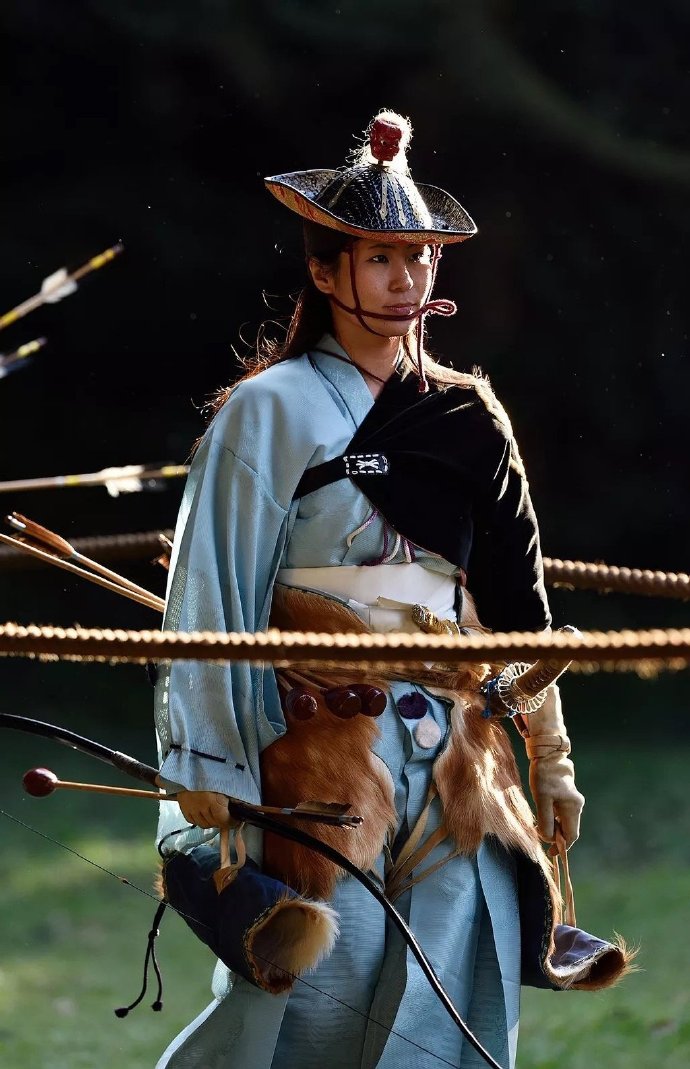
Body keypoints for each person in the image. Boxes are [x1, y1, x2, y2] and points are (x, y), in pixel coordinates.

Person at [153, 111, 628, 1069]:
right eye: (380, 257)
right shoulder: (269, 410)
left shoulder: (470, 414)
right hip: (311, 748)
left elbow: (517, 617)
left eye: (421, 256)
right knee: (312, 1007)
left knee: (451, 1010)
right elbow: (210, 601)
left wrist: (551, 763)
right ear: (326, 272)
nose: (408, 277)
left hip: (457, 757)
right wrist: (210, 781)